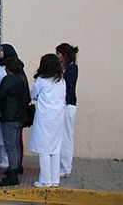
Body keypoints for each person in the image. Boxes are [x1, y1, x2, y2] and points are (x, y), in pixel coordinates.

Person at [0, 57, 30, 186]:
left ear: (9, 68)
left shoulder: (8, 80)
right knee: (15, 144)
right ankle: (16, 167)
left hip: (9, 116)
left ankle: (13, 173)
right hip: (20, 116)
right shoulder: (23, 79)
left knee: (10, 146)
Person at [29, 54, 66, 188]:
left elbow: (32, 94)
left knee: (44, 149)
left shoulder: (41, 80)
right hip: (58, 117)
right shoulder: (61, 80)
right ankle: (55, 179)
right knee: (55, 148)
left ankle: (45, 180)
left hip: (44, 118)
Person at [57, 43, 79, 178]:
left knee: (66, 137)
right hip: (62, 106)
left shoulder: (72, 69)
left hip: (68, 105)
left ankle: (66, 167)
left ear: (65, 55)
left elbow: (67, 85)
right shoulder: (64, 68)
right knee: (61, 136)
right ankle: (62, 165)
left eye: (58, 54)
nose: (57, 57)